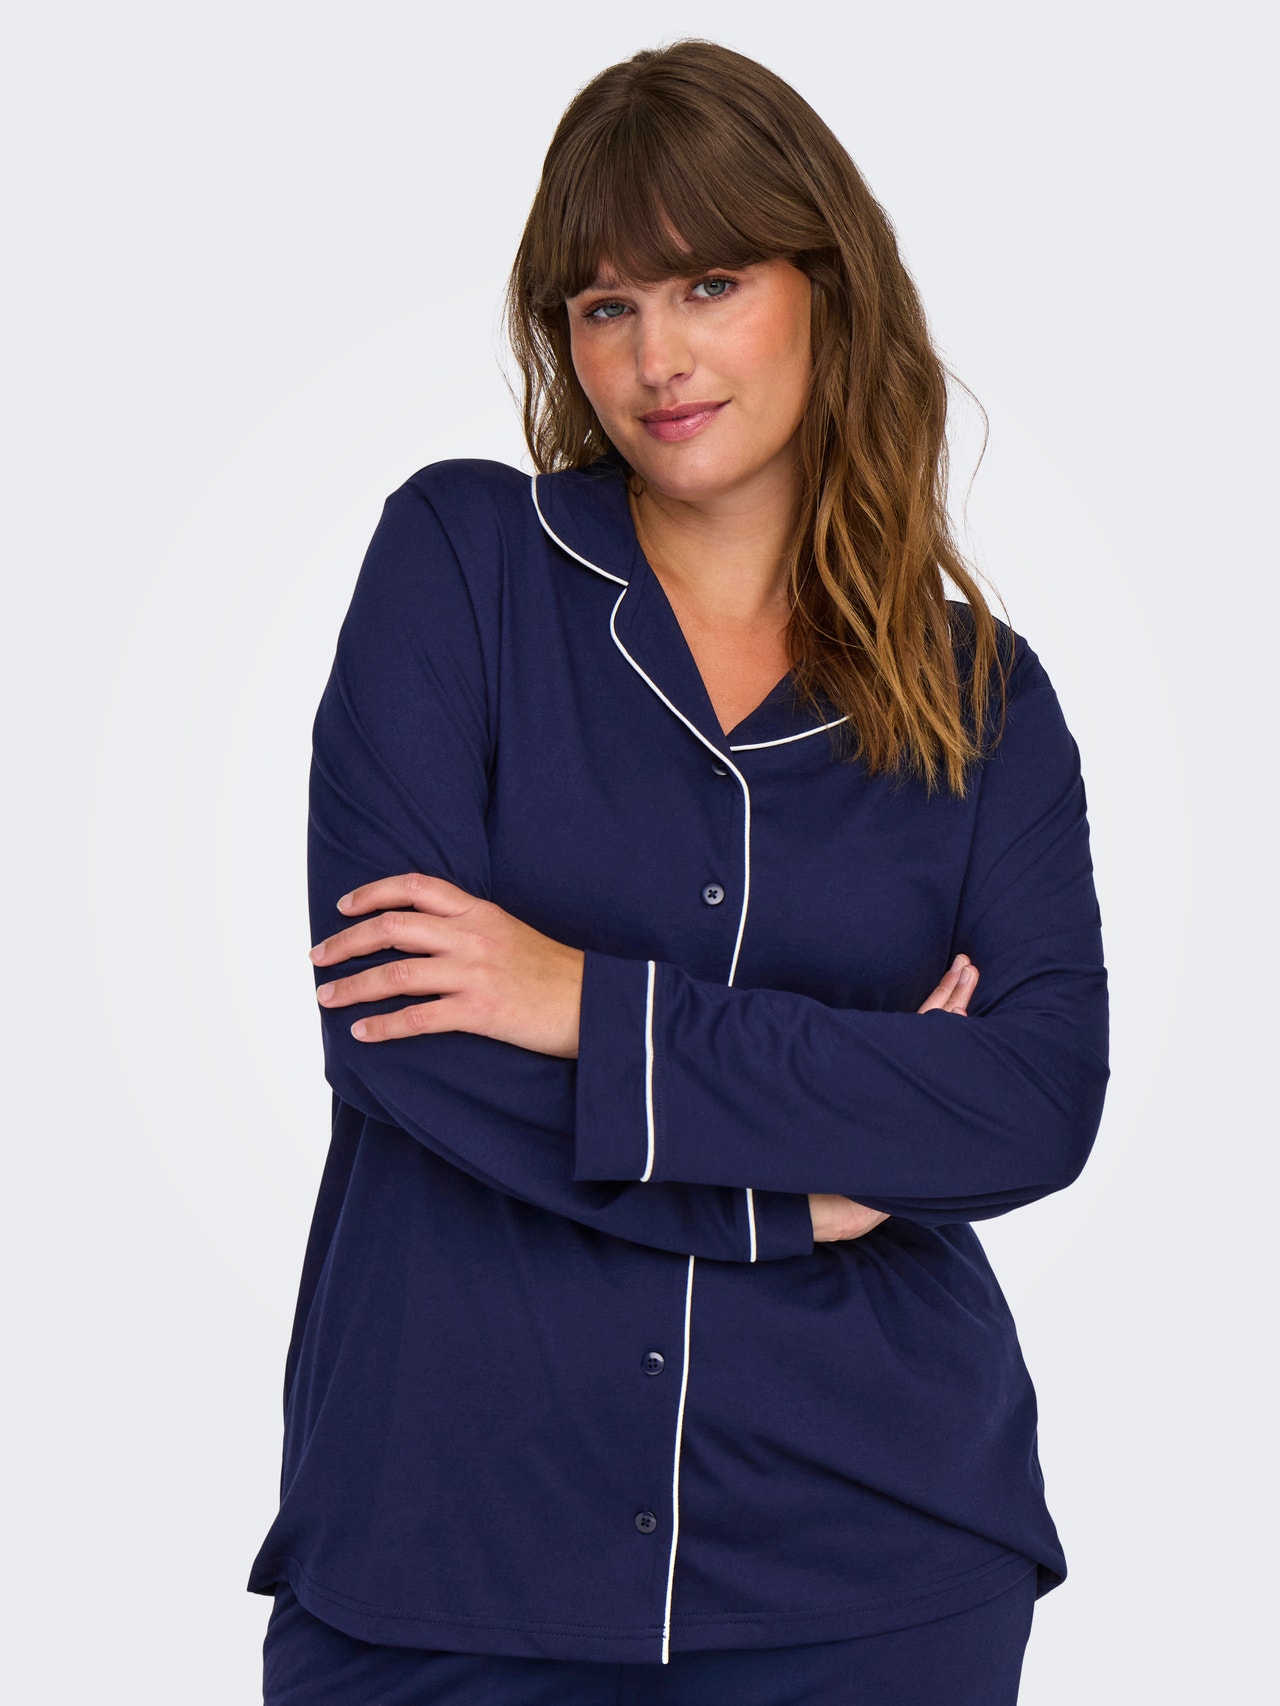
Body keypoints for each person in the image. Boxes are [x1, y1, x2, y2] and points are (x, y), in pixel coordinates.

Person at [247, 37, 1110, 1706]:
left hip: (870, 1561)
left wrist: (579, 1000)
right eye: (607, 305)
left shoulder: (984, 700)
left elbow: (1029, 1099)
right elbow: (400, 1027)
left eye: (711, 282)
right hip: (449, 1551)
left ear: (826, 291)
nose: (657, 356)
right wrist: (807, 1172)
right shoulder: (464, 566)